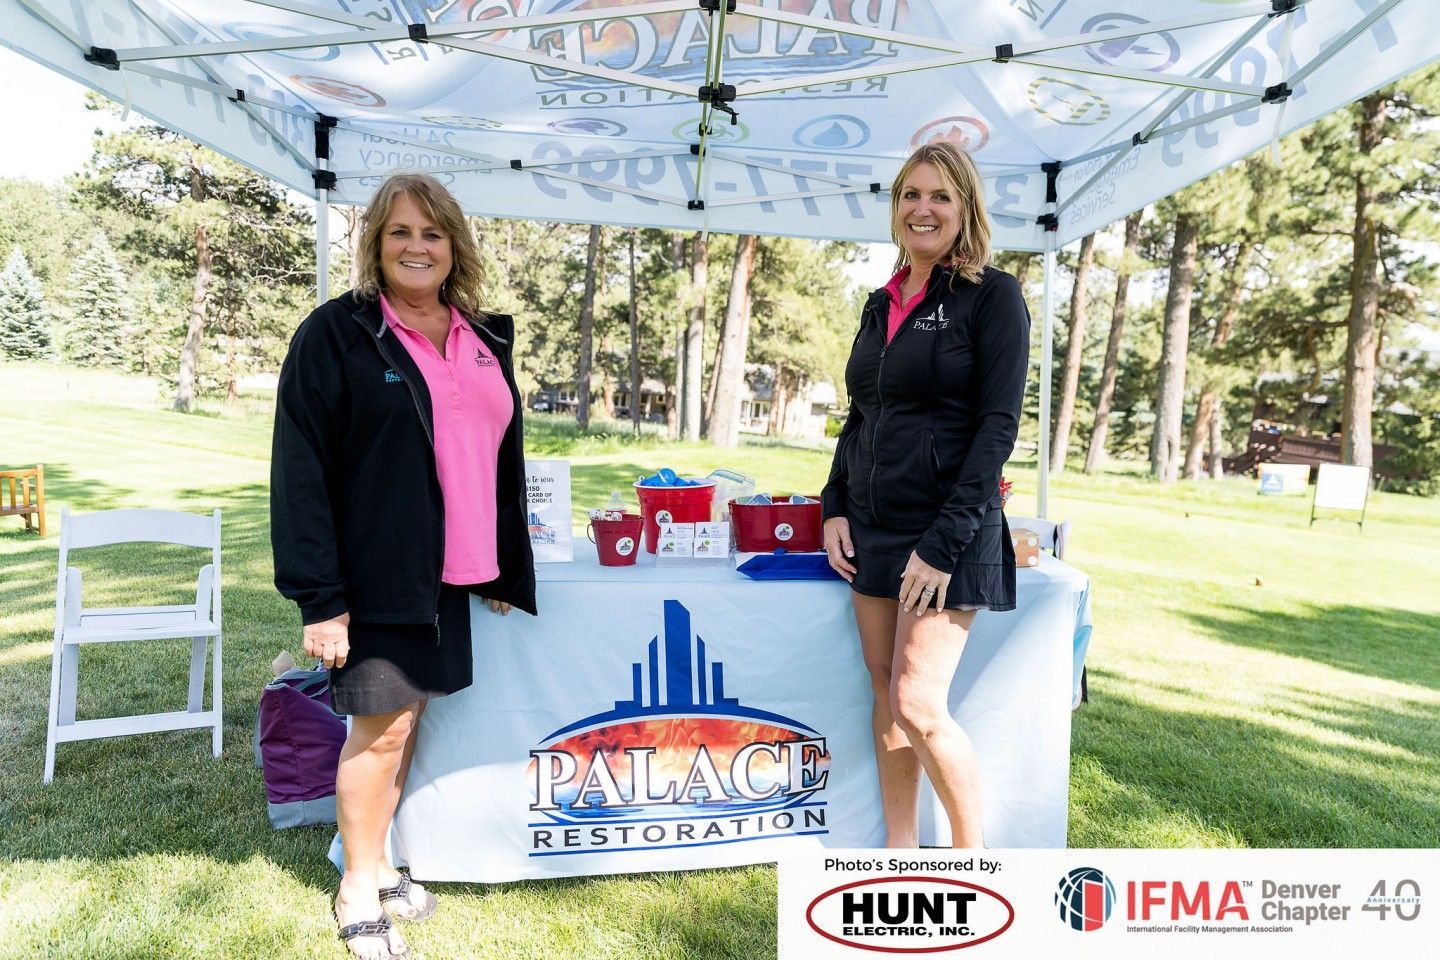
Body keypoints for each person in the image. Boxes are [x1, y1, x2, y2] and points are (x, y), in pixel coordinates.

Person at [271, 172, 535, 959]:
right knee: (378, 733)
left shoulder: (481, 335)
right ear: (375, 245)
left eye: (432, 232)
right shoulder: (338, 334)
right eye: (399, 233)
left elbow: (491, 455)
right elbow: (300, 469)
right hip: (375, 575)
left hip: (450, 577)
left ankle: (379, 862)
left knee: (409, 721)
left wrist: (500, 565)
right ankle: (357, 887)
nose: (417, 247)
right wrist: (321, 599)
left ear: (454, 245)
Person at [821, 142, 1030, 849]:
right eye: (911, 194)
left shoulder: (991, 297)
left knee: (918, 702)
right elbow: (861, 415)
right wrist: (834, 507)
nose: (923, 208)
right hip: (874, 526)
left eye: (940, 196)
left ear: (966, 208)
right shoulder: (879, 303)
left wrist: (942, 546)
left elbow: (997, 427)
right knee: (885, 695)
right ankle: (900, 851)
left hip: (947, 531)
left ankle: (976, 864)